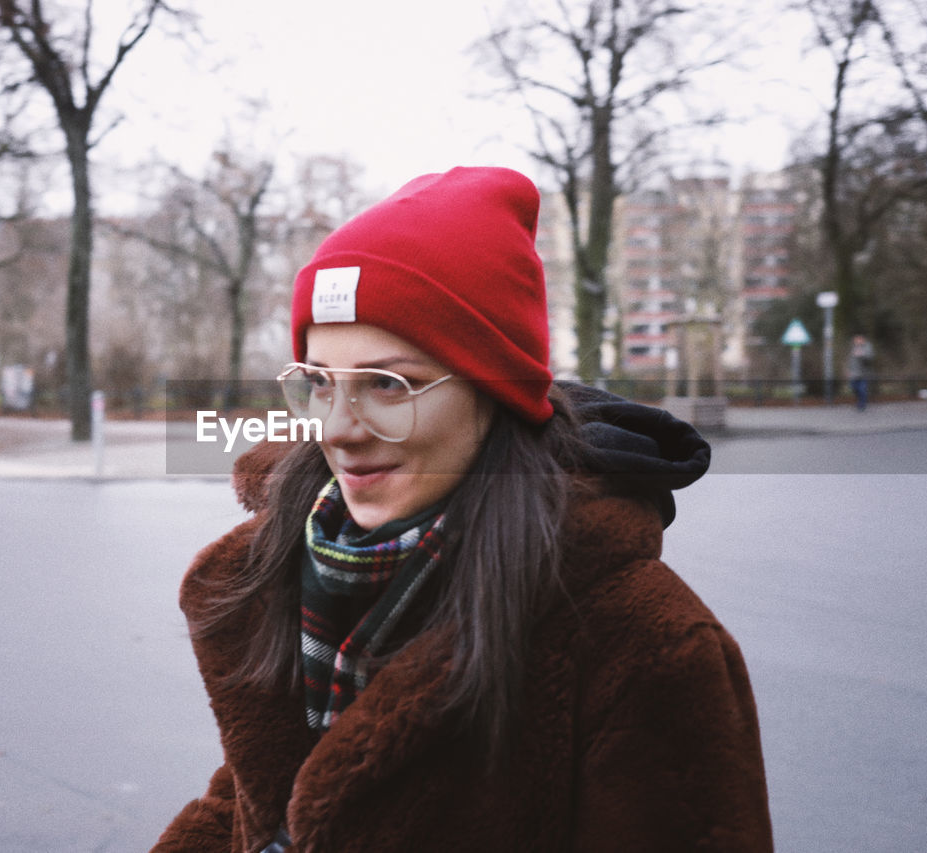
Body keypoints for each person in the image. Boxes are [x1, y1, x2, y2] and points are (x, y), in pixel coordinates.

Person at [152, 167, 772, 852]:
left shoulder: (644, 645)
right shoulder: (300, 566)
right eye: (321, 382)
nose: (337, 427)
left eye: (389, 384)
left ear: (495, 391)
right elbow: (262, 802)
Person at [847, 334, 874, 411]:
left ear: (862, 339)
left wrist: (862, 354)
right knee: (854, 388)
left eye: (859, 339)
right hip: (853, 373)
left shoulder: (867, 347)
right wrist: (848, 370)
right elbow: (850, 360)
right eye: (855, 340)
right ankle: (859, 401)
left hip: (864, 373)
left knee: (862, 389)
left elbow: (870, 357)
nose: (857, 341)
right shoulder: (853, 348)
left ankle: (862, 405)